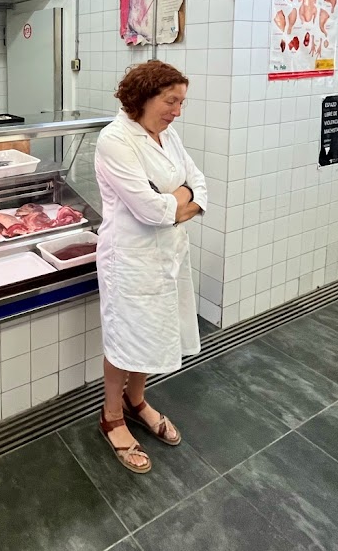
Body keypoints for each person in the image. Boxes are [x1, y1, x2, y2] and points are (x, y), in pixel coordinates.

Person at [94, 60, 207, 473]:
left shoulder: (168, 135)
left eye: (181, 102)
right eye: (171, 101)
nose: (177, 111)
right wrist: (179, 202)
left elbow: (200, 184)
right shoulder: (115, 139)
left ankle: (137, 400)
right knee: (125, 337)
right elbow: (148, 209)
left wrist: (179, 202)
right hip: (129, 259)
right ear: (143, 97)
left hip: (169, 257)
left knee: (152, 333)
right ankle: (111, 417)